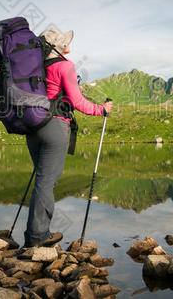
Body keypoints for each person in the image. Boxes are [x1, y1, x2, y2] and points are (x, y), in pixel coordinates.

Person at [23, 27, 113, 247]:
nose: (68, 47)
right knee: (47, 182)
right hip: (55, 127)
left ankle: (34, 233)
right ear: (58, 47)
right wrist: (101, 110)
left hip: (32, 128)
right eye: (64, 43)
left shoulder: (34, 68)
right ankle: (37, 237)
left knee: (42, 181)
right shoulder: (65, 66)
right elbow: (77, 102)